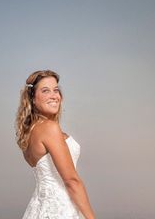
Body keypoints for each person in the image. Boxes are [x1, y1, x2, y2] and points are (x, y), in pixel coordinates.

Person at [16, 70, 96, 219]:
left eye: (56, 90)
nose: (54, 95)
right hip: (61, 210)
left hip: (37, 210)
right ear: (33, 98)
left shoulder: (29, 133)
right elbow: (72, 181)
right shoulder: (49, 128)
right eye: (45, 91)